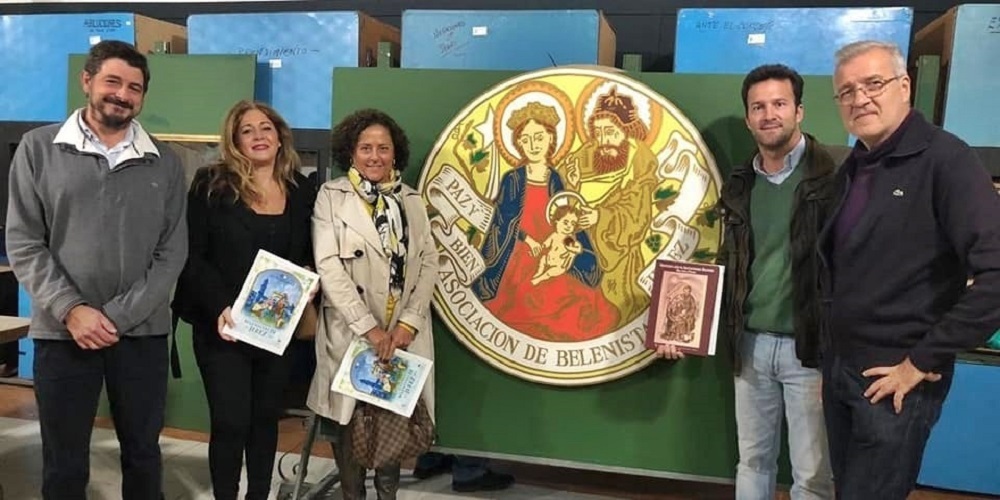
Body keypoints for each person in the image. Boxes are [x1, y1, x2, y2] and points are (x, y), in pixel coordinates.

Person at [5, 40, 187, 499]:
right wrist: (72, 310)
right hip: (62, 334)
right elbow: (24, 241)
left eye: (134, 87)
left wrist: (117, 317)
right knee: (64, 462)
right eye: (112, 81)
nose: (122, 94)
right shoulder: (38, 149)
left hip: (142, 336)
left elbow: (172, 252)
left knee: (143, 455)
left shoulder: (165, 162)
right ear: (86, 81)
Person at [820, 40, 1000, 500]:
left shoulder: (947, 161)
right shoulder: (854, 167)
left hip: (895, 379)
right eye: (847, 91)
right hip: (842, 370)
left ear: (905, 87)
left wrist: (922, 360)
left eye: (873, 83)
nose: (860, 98)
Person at [659, 64, 842, 500]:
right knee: (753, 462)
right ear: (747, 118)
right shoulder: (740, 184)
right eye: (758, 107)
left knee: (812, 474)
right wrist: (677, 327)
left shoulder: (835, 178)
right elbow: (726, 261)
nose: (769, 114)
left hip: (811, 350)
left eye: (779, 104)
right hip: (750, 346)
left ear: (799, 111)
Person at [171, 100, 317, 500]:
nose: (258, 136)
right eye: (247, 130)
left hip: (277, 328)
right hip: (224, 327)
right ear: (234, 140)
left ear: (280, 136)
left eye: (265, 128)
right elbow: (193, 255)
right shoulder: (210, 184)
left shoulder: (302, 189)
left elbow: (309, 251)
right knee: (231, 421)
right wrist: (221, 306)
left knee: (265, 420)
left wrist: (309, 279)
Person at [307, 108, 439, 500]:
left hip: (402, 335)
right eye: (366, 148)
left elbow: (428, 262)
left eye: (383, 148)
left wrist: (409, 323)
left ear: (395, 153)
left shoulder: (411, 200)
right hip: (352, 331)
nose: (375, 156)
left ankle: (387, 495)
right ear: (351, 152)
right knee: (349, 422)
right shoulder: (331, 197)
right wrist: (368, 327)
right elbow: (328, 265)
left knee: (392, 417)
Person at [471, 101, 617, 342]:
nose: (533, 145)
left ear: (551, 139)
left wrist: (573, 187)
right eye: (526, 139)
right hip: (520, 249)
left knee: (578, 299)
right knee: (524, 299)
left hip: (553, 245)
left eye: (539, 137)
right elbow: (504, 222)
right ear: (518, 144)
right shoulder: (513, 179)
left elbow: (565, 213)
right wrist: (529, 241)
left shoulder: (555, 177)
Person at [557, 86, 660, 328]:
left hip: (619, 258)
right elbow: (562, 200)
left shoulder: (639, 161)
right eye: (599, 133)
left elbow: (638, 214)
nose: (604, 141)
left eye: (611, 132)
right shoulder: (586, 155)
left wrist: (600, 217)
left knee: (613, 313)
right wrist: (572, 184)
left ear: (627, 131)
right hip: (580, 252)